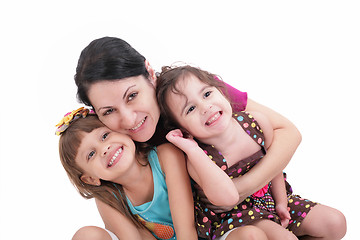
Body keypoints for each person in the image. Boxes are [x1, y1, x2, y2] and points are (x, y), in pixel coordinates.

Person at [72, 36, 313, 239]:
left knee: (327, 225)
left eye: (132, 95)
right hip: (205, 227)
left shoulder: (192, 92)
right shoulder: (112, 144)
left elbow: (288, 132)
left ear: (149, 72)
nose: (128, 119)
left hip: (246, 208)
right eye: (109, 111)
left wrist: (241, 189)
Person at [155, 65, 347, 240]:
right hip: (235, 217)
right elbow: (225, 199)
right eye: (190, 109)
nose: (206, 107)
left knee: (335, 222)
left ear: (222, 92)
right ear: (183, 129)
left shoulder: (256, 123)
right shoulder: (198, 159)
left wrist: (281, 202)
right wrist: (191, 148)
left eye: (206, 94)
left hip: (270, 201)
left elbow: (274, 166)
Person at [56, 107, 198, 240]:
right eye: (91, 154)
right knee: (86, 235)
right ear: (91, 179)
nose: (104, 148)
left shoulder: (165, 155)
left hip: (203, 231)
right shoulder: (110, 199)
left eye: (105, 136)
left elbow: (186, 226)